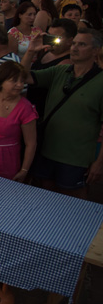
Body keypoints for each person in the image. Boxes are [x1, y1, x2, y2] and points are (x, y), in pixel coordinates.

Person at [22, 28, 103, 199]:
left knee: (74, 203)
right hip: (48, 151)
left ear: (95, 50)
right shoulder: (61, 71)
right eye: (73, 43)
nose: (74, 48)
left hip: (76, 158)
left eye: (82, 45)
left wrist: (99, 163)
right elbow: (22, 77)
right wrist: (30, 52)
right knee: (46, 198)